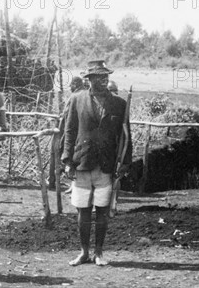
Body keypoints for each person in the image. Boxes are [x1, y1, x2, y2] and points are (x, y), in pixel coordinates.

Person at [61, 60, 132, 267]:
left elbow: (126, 135)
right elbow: (69, 130)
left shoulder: (119, 104)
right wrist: (67, 160)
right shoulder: (76, 99)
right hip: (82, 162)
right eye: (99, 77)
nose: (104, 80)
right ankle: (84, 252)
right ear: (89, 80)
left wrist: (125, 162)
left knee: (102, 210)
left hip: (107, 164)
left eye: (106, 77)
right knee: (83, 209)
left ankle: (99, 252)